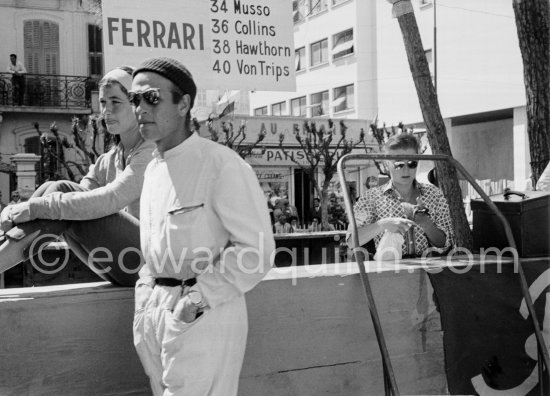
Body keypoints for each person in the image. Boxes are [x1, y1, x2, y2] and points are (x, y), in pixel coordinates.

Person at [130, 57, 274, 396]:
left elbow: (256, 251)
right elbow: (155, 250)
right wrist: (146, 297)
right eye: (135, 99)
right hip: (156, 310)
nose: (140, 108)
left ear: (184, 104)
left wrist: (196, 298)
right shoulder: (153, 168)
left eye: (151, 97)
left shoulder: (220, 164)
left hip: (203, 312)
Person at [0, 66, 156, 286]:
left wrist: (33, 208)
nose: (107, 111)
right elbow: (79, 200)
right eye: (103, 103)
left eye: (116, 102)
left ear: (136, 105)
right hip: (120, 263)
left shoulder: (150, 152)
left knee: (61, 192)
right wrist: (19, 210)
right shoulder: (108, 159)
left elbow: (113, 198)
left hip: (150, 265)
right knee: (53, 189)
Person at [352, 134, 453, 258]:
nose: (406, 170)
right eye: (399, 164)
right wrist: (383, 224)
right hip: (388, 272)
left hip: (427, 272)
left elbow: (446, 244)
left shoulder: (434, 194)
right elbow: (351, 240)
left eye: (412, 164)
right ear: (386, 164)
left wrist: (426, 224)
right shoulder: (370, 198)